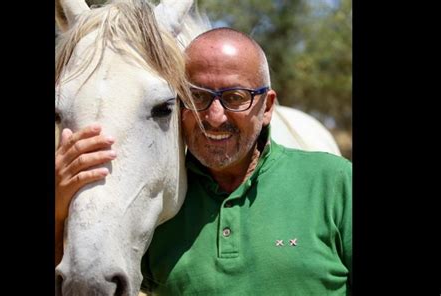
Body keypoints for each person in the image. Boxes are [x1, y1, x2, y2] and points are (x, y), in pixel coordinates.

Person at [56, 27, 352, 295]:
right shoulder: (160, 202)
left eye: (236, 98)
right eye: (196, 96)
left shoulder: (336, 182)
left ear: (267, 107)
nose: (214, 116)